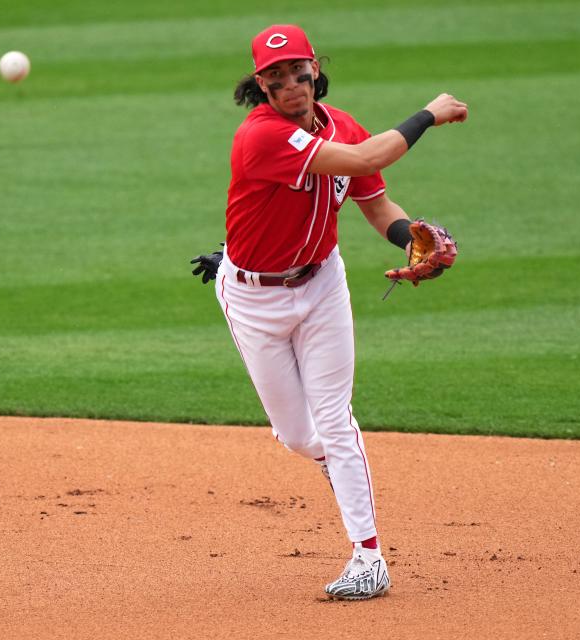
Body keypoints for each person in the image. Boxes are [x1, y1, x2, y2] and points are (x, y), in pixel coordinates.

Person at [190, 24, 467, 600]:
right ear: (259, 85)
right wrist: (428, 115)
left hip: (321, 287)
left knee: (337, 420)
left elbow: (375, 200)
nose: (289, 84)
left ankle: (368, 558)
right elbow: (369, 154)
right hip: (253, 298)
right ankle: (343, 466)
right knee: (295, 435)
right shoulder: (261, 137)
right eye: (275, 77)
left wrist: (409, 239)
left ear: (314, 68)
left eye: (297, 71)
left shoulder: (340, 123)